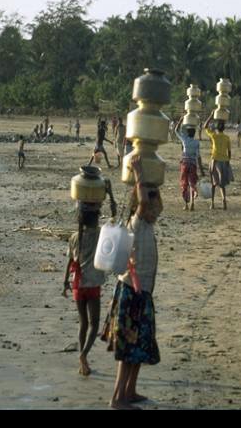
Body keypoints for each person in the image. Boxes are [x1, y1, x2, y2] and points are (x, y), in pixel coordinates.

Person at [102, 157, 162, 409]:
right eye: (153, 208)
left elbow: (148, 201)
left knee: (139, 348)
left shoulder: (147, 226)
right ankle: (117, 397)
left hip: (142, 295)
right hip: (131, 294)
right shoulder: (135, 224)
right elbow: (143, 201)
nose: (156, 212)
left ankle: (130, 391)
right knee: (128, 351)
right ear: (141, 207)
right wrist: (138, 173)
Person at [63, 203, 106, 377]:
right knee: (94, 324)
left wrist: (65, 282)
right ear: (96, 219)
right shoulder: (100, 234)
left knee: (83, 324)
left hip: (77, 285)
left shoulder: (74, 237)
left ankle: (83, 359)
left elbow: (69, 262)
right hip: (93, 284)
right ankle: (84, 354)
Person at [203, 111, 233, 210]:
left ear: (217, 128)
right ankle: (224, 201)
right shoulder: (227, 138)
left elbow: (205, 126)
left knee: (213, 183)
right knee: (222, 184)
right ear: (224, 128)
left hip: (215, 160)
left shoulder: (214, 136)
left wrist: (211, 116)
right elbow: (229, 152)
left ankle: (212, 203)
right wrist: (228, 161)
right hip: (224, 161)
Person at [175, 115, 206, 211]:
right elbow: (198, 156)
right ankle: (192, 203)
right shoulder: (196, 143)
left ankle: (186, 204)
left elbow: (176, 130)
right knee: (192, 183)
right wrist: (201, 169)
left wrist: (180, 120)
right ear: (194, 133)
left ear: (187, 133)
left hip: (184, 164)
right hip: (193, 164)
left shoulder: (184, 140)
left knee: (184, 184)